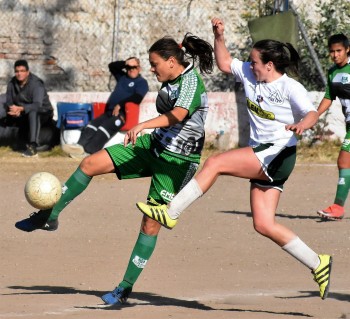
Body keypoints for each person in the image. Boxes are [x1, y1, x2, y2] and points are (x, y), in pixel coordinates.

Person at [137, 17, 333, 300]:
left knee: (215, 163)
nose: (249, 65)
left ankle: (171, 212)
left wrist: (304, 124)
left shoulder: (291, 87)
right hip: (266, 154)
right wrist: (219, 36)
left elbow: (311, 112)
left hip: (277, 153)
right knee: (263, 224)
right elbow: (226, 62)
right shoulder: (252, 75)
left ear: (269, 64)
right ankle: (318, 263)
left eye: (254, 61)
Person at [15, 33, 214, 305]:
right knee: (89, 163)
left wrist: (143, 124)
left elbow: (178, 115)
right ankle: (49, 216)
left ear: (171, 61)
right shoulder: (170, 79)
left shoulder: (191, 82)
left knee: (150, 222)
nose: (151, 69)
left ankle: (124, 288)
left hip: (176, 163)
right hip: (152, 146)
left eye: (154, 64)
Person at [62, 57, 149, 157]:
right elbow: (112, 66)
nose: (131, 69)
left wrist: (120, 104)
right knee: (92, 124)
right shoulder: (123, 77)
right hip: (109, 112)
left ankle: (89, 152)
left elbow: (137, 98)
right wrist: (125, 63)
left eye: (134, 67)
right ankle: (79, 147)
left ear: (139, 68)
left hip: (122, 114)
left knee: (104, 128)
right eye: (129, 67)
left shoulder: (142, 82)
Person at [317, 33, 350, 220]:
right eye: (332, 51)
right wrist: (314, 115)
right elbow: (329, 97)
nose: (335, 55)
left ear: (347, 50)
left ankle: (337, 207)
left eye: (339, 51)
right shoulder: (332, 73)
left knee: (344, 161)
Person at [0, 59, 55, 157]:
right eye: (17, 71)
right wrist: (13, 109)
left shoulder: (36, 84)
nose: (19, 74)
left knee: (33, 112)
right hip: (23, 112)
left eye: (22, 71)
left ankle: (33, 148)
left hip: (43, 112)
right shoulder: (12, 83)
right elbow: (8, 101)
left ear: (27, 72)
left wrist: (20, 109)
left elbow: (37, 105)